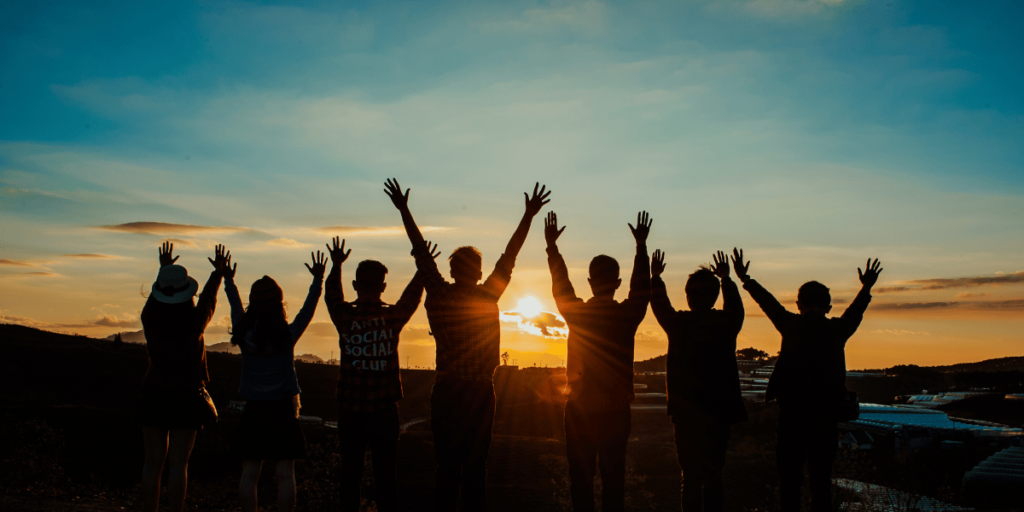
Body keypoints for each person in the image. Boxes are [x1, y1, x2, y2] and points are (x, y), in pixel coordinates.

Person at [384, 178, 551, 511]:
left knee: (446, 468)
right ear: (478, 272)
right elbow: (510, 255)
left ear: (451, 269)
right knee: (476, 469)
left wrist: (404, 210)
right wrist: (528, 215)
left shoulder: (440, 294)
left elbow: (420, 252)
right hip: (478, 393)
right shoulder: (488, 294)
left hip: (446, 392)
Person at [735, 250, 882, 512]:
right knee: (821, 483)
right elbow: (855, 311)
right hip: (825, 417)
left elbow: (767, 303)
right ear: (828, 307)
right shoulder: (837, 329)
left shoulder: (791, 325)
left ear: (798, 304)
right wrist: (867, 287)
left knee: (789, 483)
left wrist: (746, 280)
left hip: (791, 416)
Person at [544, 210, 652, 512]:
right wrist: (640, 247)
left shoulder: (576, 314)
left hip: (579, 410)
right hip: (616, 412)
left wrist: (552, 248)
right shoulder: (626, 315)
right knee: (613, 482)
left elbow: (560, 284)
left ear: (590, 282)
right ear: (617, 282)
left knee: (581, 481)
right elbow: (641, 290)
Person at [323, 236, 435, 512]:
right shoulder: (392, 317)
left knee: (350, 475)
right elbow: (412, 295)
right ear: (383, 287)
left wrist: (336, 265)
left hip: (350, 411)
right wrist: (422, 267)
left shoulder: (344, 316)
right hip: (385, 412)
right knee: (386, 476)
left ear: (355, 285)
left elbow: (332, 293)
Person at [224, 250, 327, 512]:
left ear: (253, 304)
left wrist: (228, 279)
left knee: (249, 474)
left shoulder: (243, 332)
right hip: (283, 409)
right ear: (279, 304)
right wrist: (318, 279)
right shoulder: (287, 335)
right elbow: (308, 310)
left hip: (254, 409)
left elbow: (235, 306)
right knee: (285, 474)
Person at [649, 250, 747, 512]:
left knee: (690, 479)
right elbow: (736, 307)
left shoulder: (678, 324)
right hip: (719, 412)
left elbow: (659, 304)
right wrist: (727, 279)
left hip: (686, 413)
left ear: (688, 296)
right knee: (714, 476)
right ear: (715, 296)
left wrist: (656, 277)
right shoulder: (726, 322)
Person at [138, 241, 229, 512]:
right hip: (187, 394)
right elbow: (209, 300)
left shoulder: (149, 316)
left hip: (154, 391)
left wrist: (165, 270)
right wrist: (218, 273)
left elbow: (161, 297)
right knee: (179, 464)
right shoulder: (194, 321)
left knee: (152, 463)